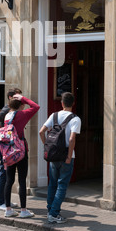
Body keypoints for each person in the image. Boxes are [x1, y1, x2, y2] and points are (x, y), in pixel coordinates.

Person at [39, 92, 81, 224]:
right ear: (73, 104)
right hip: (66, 157)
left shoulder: (54, 115)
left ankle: (50, 210)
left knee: (53, 183)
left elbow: (41, 132)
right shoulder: (75, 119)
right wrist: (69, 156)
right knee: (62, 185)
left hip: (54, 155)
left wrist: (47, 147)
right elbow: (72, 138)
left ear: (62, 103)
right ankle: (54, 214)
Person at [4, 94, 40, 218]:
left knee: (9, 180)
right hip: (20, 151)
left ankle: (8, 209)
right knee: (22, 180)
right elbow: (36, 107)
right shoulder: (21, 114)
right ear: (20, 105)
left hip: (9, 151)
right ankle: (23, 210)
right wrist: (23, 97)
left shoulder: (7, 116)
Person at [0, 88, 22, 211]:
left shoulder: (11, 109)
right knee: (4, 173)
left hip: (8, 145)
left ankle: (6, 201)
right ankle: (0, 202)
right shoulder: (6, 108)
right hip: (5, 145)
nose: (20, 99)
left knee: (8, 173)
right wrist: (5, 133)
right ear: (11, 97)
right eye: (17, 97)